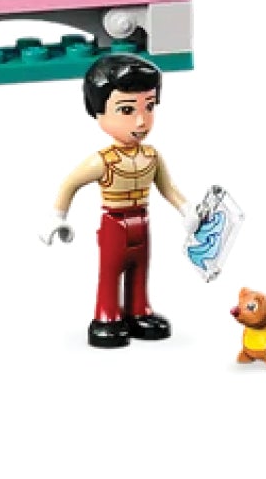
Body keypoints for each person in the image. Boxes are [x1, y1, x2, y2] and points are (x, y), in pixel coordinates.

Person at [43, 52, 193, 346]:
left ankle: (138, 310)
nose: (141, 120)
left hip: (142, 221)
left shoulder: (152, 156)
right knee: (110, 273)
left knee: (140, 269)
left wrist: (187, 209)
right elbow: (70, 184)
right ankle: (106, 316)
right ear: (98, 111)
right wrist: (56, 218)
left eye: (149, 106)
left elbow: (168, 188)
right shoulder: (103, 161)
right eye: (126, 110)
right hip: (114, 224)